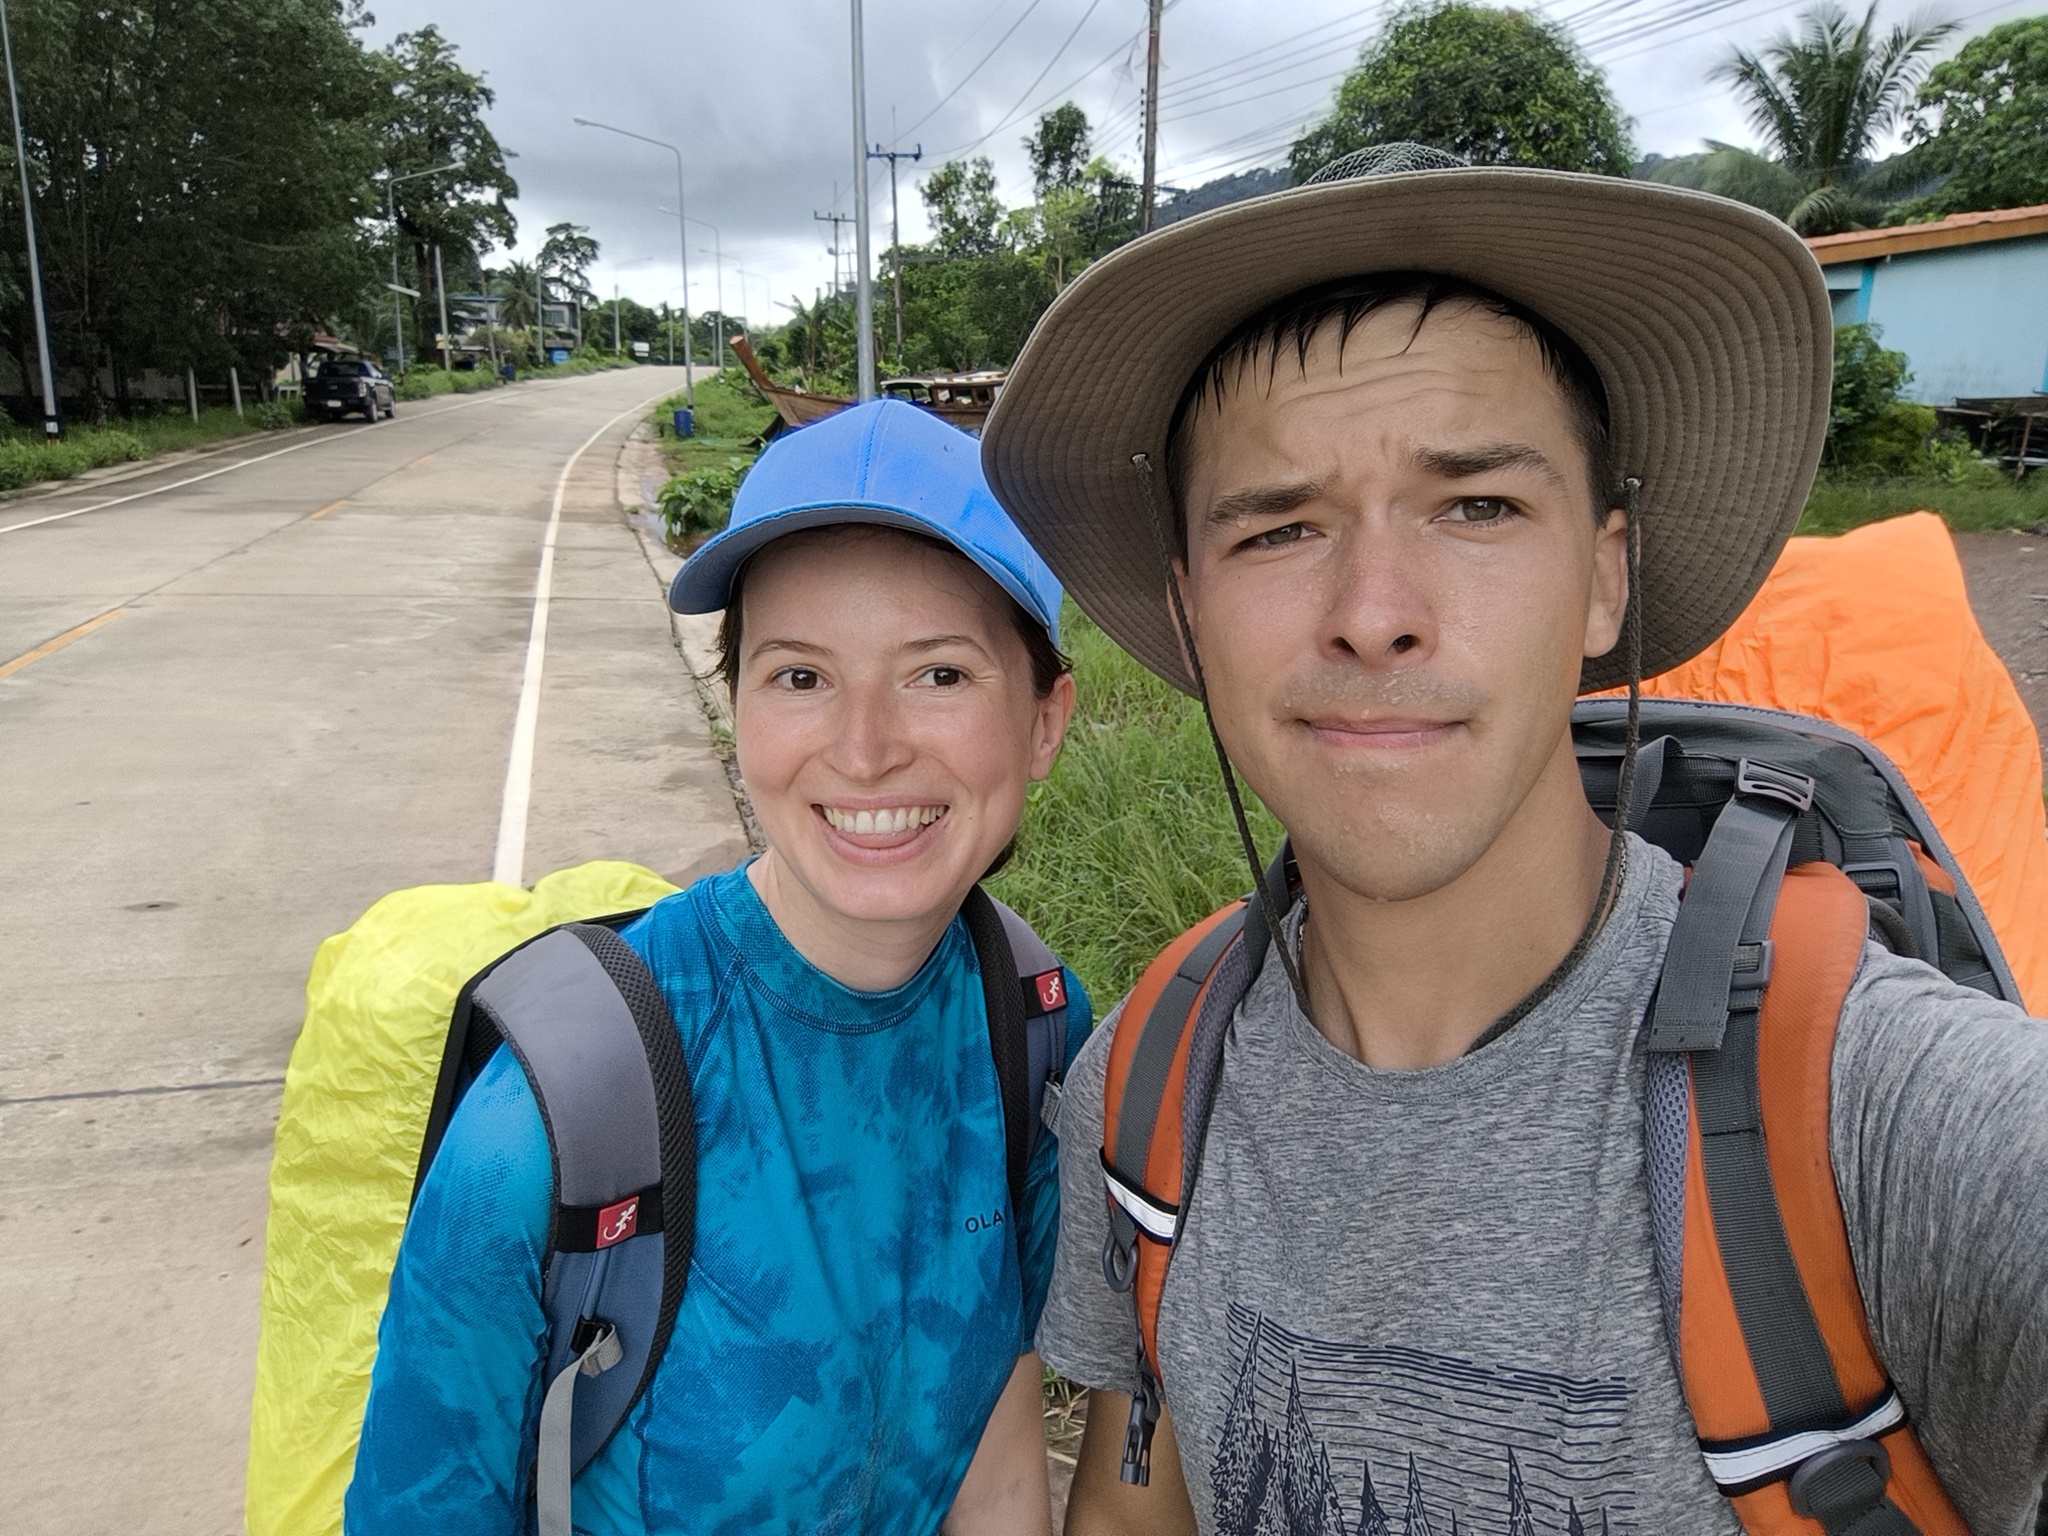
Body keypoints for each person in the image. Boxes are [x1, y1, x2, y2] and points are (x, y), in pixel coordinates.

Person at [979, 148, 2048, 1533]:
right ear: (1189, 613)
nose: (1374, 610)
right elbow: (1137, 1507)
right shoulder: (1148, 1085)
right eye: (1280, 528)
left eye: (1477, 506)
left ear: (1606, 572)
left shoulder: (1875, 1113)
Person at [346, 398, 1088, 1534]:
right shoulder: (559, 1123)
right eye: (799, 677)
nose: (863, 746)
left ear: (1043, 720)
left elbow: (994, 1435)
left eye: (937, 674)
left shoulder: (1030, 1024)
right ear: (736, 709)